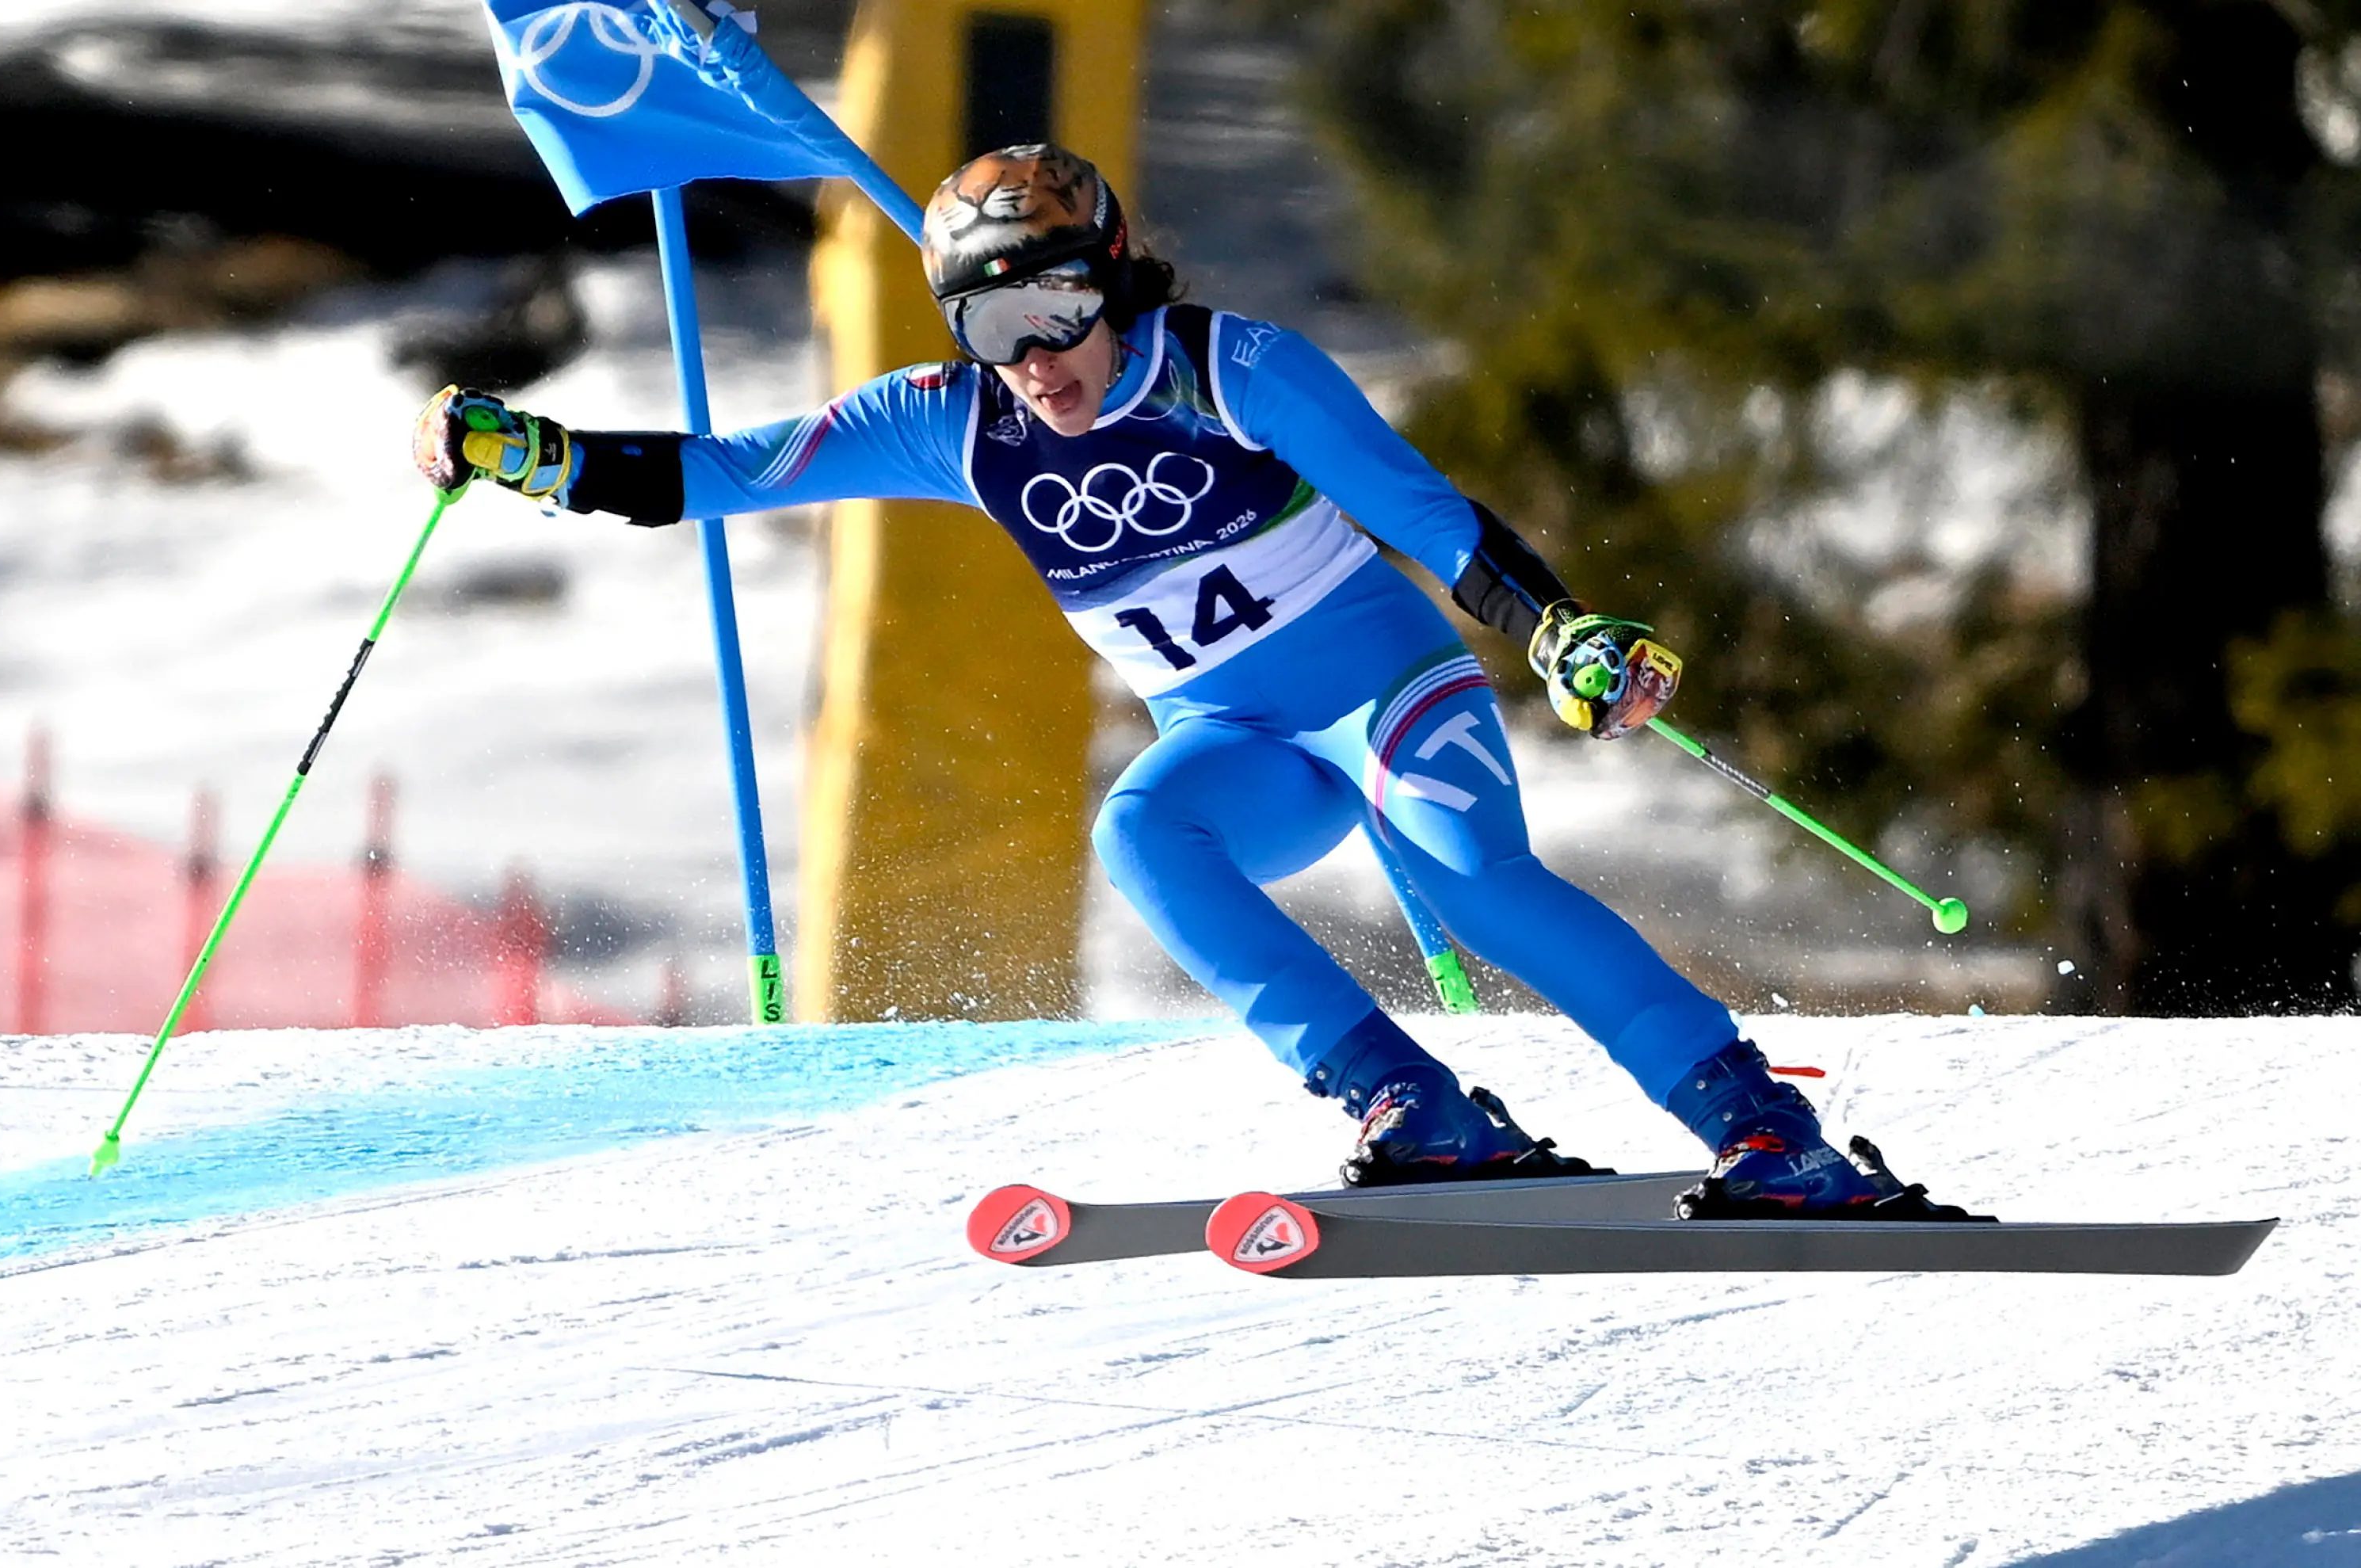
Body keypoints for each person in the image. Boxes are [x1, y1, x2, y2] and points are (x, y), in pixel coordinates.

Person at [414, 144, 1956, 1217]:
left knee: (1475, 881)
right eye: (992, 320)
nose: (1037, 355)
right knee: (1143, 833)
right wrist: (524, 451)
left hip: (1388, 696)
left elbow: (1430, 517)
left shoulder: (1238, 369)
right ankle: (1411, 1107)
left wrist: (1557, 632)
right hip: (1241, 745)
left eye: (1057, 307)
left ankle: (1770, 1130)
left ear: (1114, 277)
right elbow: (722, 472)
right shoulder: (952, 423)